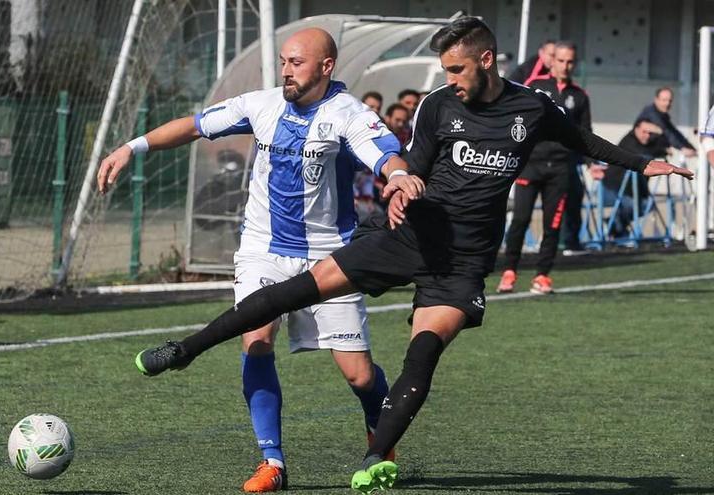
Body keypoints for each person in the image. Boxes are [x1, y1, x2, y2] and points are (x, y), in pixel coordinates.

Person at [131, 17, 692, 494]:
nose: (450, 81)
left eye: (457, 69)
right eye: (445, 71)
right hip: (406, 237)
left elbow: (586, 143)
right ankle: (186, 349)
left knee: (422, 352)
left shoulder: (534, 108)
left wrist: (646, 165)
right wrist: (402, 187)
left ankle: (377, 456)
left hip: (463, 260)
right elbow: (410, 160)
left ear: (487, 61)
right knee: (292, 291)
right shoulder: (437, 106)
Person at [98, 28, 425, 493]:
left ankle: (381, 435)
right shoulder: (261, 104)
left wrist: (399, 179)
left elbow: (386, 156)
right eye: (283, 61)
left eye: (296, 62)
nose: (286, 70)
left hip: (329, 255)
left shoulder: (349, 115)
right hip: (263, 248)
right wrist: (131, 148)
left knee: (359, 374)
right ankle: (272, 462)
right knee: (256, 342)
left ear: (326, 67)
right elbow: (194, 125)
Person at [499, 41, 589, 294]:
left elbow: (585, 134)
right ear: (552, 61)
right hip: (531, 165)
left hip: (560, 169)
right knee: (520, 219)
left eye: (570, 61)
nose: (565, 65)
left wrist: (593, 164)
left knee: (553, 224)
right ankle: (509, 271)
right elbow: (517, 120)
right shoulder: (535, 86)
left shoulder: (580, 95)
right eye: (561, 60)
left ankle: (542, 275)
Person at [593, 119, 669, 239]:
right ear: (636, 129)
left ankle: (614, 225)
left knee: (646, 205)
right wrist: (659, 151)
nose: (647, 136)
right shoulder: (629, 142)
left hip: (631, 190)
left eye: (650, 133)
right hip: (612, 187)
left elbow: (665, 145)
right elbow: (644, 155)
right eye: (644, 132)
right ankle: (616, 228)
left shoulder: (647, 143)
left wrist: (659, 131)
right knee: (634, 205)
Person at [636, 87, 697, 158]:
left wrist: (691, 148)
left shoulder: (662, 115)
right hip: (638, 156)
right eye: (664, 100)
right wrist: (682, 148)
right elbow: (667, 133)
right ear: (656, 100)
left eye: (670, 101)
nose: (667, 103)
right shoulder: (652, 113)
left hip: (646, 154)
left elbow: (674, 132)